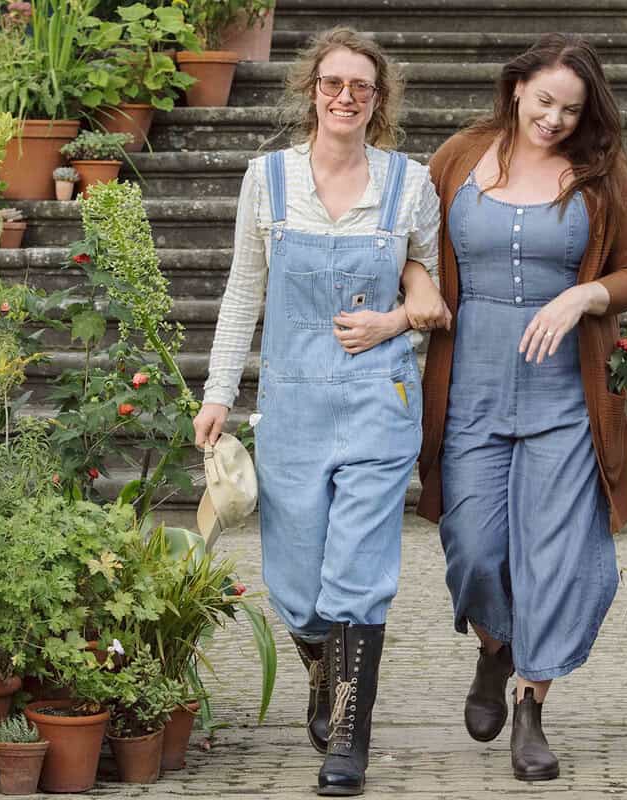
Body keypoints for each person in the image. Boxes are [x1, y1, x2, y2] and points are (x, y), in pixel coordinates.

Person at [193, 26, 449, 797]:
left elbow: (432, 293)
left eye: (361, 88)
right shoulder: (267, 181)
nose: (345, 97)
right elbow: (244, 292)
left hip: (379, 398)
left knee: (358, 576)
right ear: (312, 90)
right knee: (297, 585)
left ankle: (348, 740)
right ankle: (319, 665)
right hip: (293, 403)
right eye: (333, 83)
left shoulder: (407, 184)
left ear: (378, 102)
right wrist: (217, 390)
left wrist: (393, 323)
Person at [416, 33, 627, 781]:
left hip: (565, 400)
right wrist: (417, 292)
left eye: (571, 109)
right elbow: (413, 248)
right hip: (470, 389)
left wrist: (587, 293)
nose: (554, 119)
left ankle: (532, 704)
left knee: (558, 558)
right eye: (544, 100)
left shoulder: (602, 172)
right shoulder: (458, 157)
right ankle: (496, 650)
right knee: (476, 549)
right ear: (517, 88)